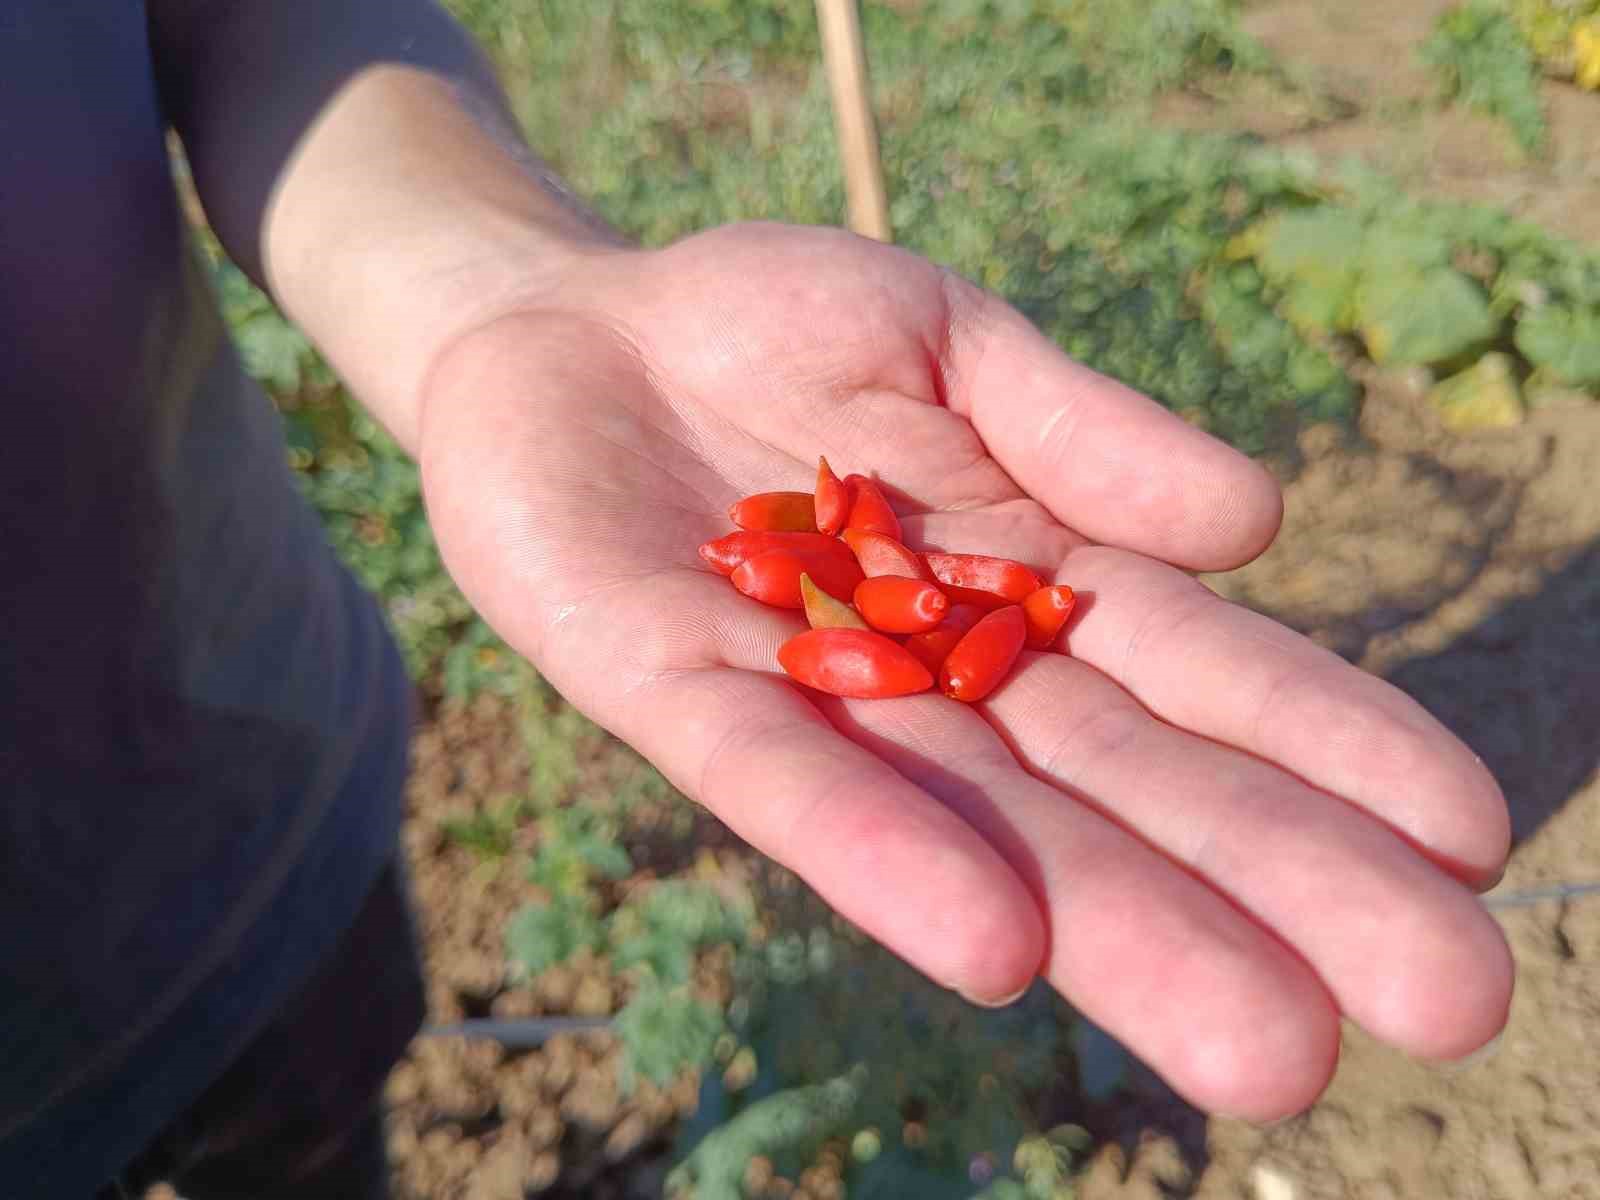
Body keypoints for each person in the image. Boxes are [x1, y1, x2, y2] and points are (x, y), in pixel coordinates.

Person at [1, 1, 1516, 1195]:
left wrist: (509, 290)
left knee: (324, 1133)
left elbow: (246, 16)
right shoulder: (864, 588)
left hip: (253, 808)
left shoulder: (850, 567)